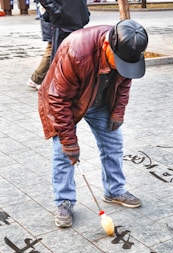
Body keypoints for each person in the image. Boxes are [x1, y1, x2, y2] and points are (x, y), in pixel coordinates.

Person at [38, 19, 148, 228]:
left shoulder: (127, 48)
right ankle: (64, 201)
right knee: (64, 153)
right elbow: (58, 99)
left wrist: (118, 111)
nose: (122, 67)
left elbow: (124, 83)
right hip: (66, 102)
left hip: (101, 100)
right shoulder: (76, 51)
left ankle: (114, 190)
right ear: (107, 46)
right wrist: (70, 142)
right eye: (118, 61)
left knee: (113, 143)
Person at [27, 9, 52, 90]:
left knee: (53, 48)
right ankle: (36, 79)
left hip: (55, 19)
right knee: (51, 49)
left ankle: (38, 79)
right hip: (53, 20)